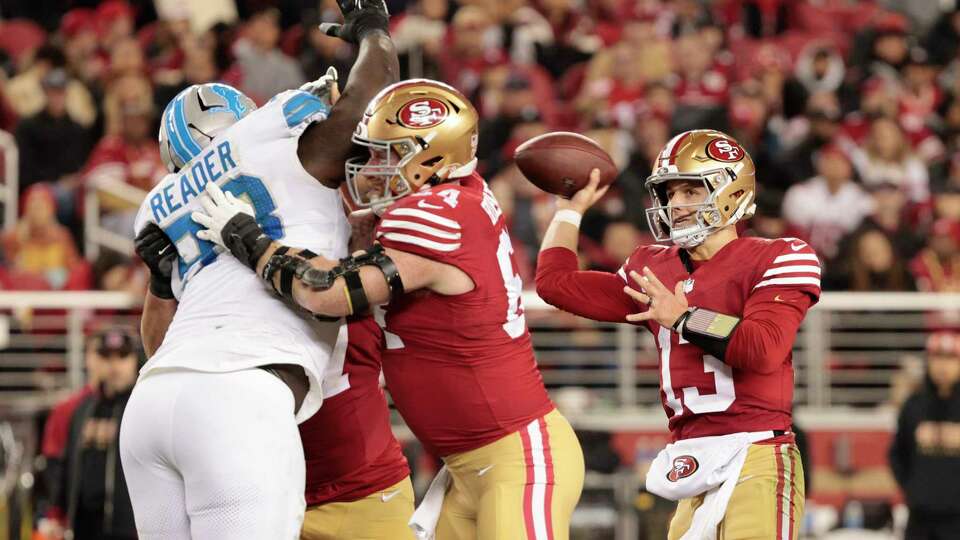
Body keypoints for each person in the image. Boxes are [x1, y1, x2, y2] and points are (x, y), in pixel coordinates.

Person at [192, 78, 585, 540]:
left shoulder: (437, 215)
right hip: (471, 468)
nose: (369, 166)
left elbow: (327, 290)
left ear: (433, 161)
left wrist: (253, 242)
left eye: (386, 155)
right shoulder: (451, 198)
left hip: (517, 458)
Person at [118, 1, 399, 537]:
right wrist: (375, 33)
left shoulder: (158, 203)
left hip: (152, 405)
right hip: (241, 396)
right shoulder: (272, 143)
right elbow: (372, 97)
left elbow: (158, 344)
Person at [535, 129, 818, 539]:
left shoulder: (778, 256)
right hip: (692, 458)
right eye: (668, 194)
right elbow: (555, 284)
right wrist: (568, 210)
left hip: (757, 453)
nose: (675, 205)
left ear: (731, 193)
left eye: (690, 191)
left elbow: (764, 347)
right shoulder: (654, 267)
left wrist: (687, 318)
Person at [59, 328, 140, 540]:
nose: (114, 365)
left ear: (135, 360)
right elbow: (69, 465)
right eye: (106, 356)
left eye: (122, 356)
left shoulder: (143, 408)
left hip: (128, 528)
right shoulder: (84, 409)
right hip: (85, 527)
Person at [889, 331, 960, 540]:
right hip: (920, 519)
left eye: (950, 359)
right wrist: (913, 489)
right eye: (937, 358)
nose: (943, 366)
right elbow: (897, 454)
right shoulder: (913, 406)